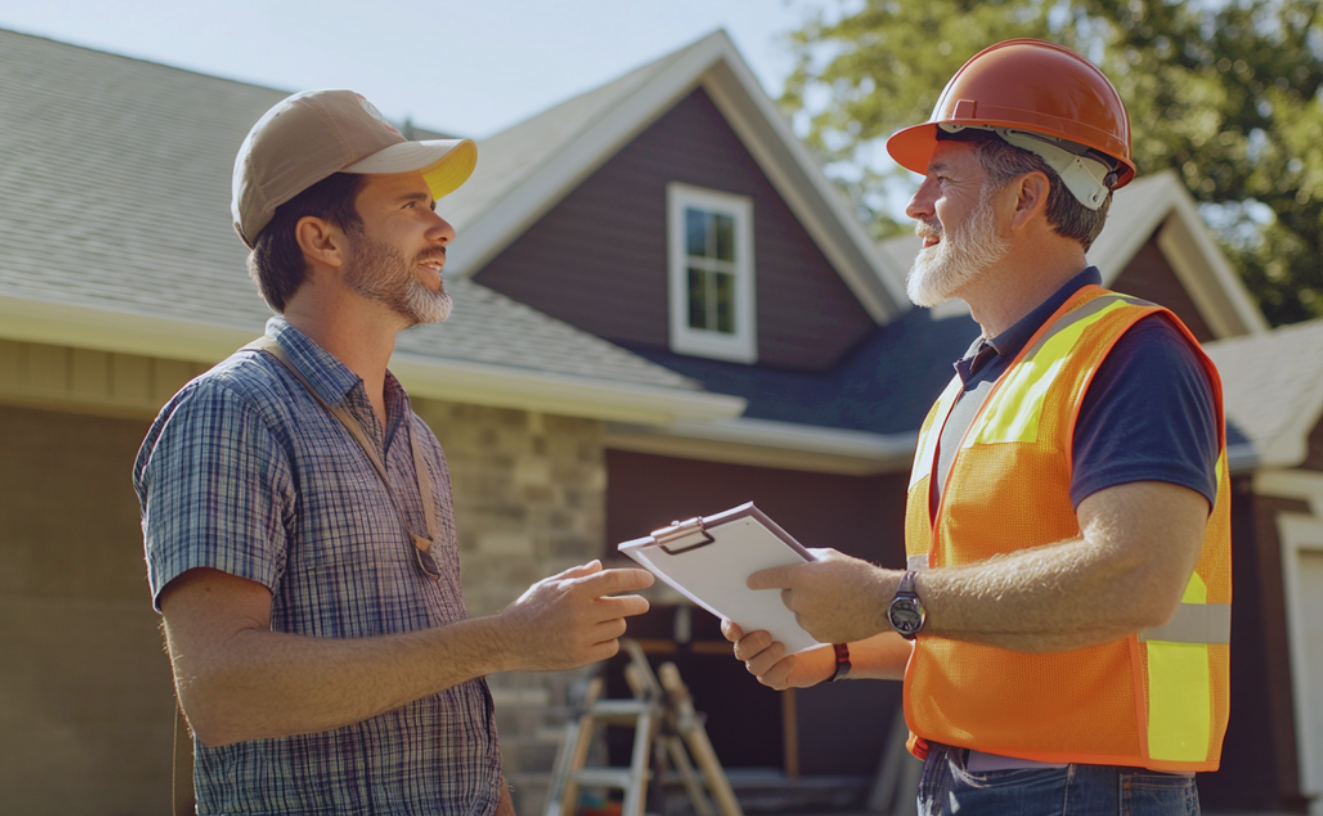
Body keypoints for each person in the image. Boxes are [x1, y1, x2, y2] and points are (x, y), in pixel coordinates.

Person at [723, 40, 1230, 814]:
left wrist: (883, 597)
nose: (912, 205)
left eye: (940, 177)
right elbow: (984, 618)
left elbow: (1135, 577)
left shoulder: (1135, 353)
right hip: (976, 785)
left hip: (1085, 790)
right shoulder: (971, 385)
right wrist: (838, 652)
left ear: (1026, 198)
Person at [134, 89, 654, 815]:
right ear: (324, 241)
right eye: (411, 206)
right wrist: (505, 640)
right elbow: (223, 691)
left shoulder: (414, 437)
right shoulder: (230, 413)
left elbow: (446, 700)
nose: (442, 227)